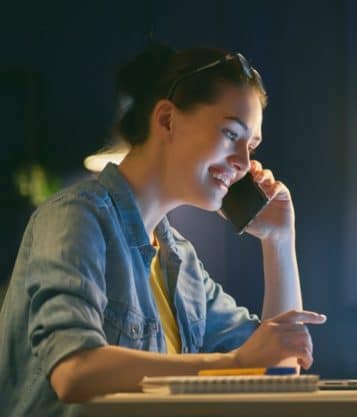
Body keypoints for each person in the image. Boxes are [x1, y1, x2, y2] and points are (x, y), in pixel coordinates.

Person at [0, 43, 326, 417]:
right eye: (231, 134)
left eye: (251, 146)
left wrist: (279, 240)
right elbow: (74, 372)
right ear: (167, 119)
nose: (242, 163)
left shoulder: (181, 260)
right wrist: (234, 362)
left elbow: (280, 369)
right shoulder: (76, 218)